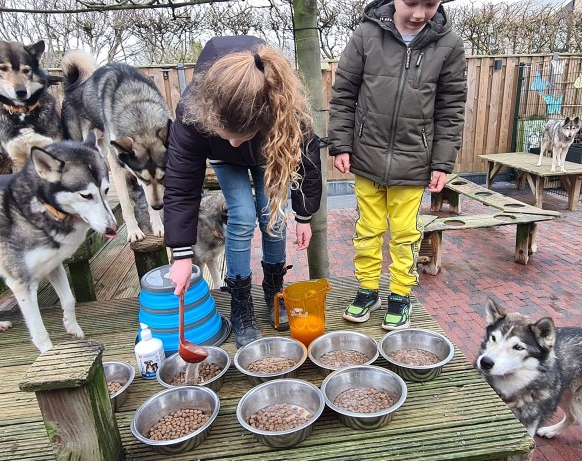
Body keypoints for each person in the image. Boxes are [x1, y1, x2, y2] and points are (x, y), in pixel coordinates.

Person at [164, 36, 323, 348]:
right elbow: (181, 182)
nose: (235, 142)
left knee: (272, 216)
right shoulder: (193, 110)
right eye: (228, 134)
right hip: (222, 160)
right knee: (243, 215)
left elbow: (308, 162)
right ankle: (240, 303)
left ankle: (274, 289)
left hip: (269, 150)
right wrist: (181, 253)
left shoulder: (283, 104)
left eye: (244, 133)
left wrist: (303, 215)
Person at [328, 0, 467, 330]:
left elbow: (451, 109)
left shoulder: (449, 44)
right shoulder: (366, 35)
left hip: (414, 161)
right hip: (366, 156)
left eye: (430, 5)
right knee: (368, 230)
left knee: (405, 234)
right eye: (411, 3)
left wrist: (441, 163)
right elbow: (344, 95)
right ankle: (367, 290)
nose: (419, 14)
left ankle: (400, 294)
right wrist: (341, 144)